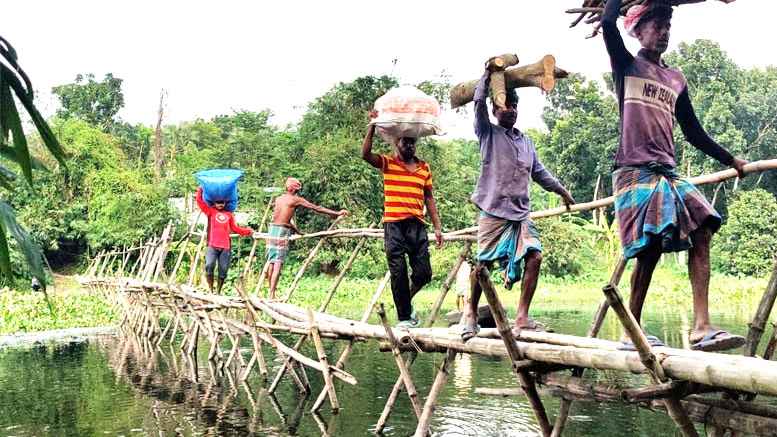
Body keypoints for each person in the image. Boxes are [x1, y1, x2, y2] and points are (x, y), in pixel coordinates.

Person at [601, 0, 748, 351]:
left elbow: (693, 132)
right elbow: (608, 24)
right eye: (656, 24)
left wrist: (731, 159)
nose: (663, 32)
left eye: (668, 25)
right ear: (636, 30)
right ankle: (630, 330)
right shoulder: (627, 66)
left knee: (703, 225)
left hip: (666, 172)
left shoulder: (675, 78)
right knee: (648, 250)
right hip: (634, 171)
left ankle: (701, 326)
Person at [461, 65, 575, 342]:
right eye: (504, 105)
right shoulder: (488, 133)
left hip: (520, 214)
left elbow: (540, 173)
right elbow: (477, 104)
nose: (510, 109)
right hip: (493, 211)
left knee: (535, 256)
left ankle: (522, 316)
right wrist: (487, 77)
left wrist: (562, 191)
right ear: (494, 111)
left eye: (514, 105)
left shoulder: (526, 142)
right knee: (483, 265)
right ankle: (471, 313)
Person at [362, 112, 443, 328]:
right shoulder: (388, 163)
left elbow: (429, 198)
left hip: (417, 225)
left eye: (412, 142)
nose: (409, 145)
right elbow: (365, 154)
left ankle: (405, 305)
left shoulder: (424, 168)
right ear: (397, 144)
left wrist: (437, 227)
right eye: (405, 142)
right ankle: (406, 317)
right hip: (394, 225)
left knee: (424, 273)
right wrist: (372, 125)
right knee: (397, 272)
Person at [266, 177, 349, 299]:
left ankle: (270, 292)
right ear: (295, 190)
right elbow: (316, 208)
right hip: (282, 231)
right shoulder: (295, 200)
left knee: (271, 261)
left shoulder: (279, 199)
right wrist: (336, 213)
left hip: (272, 230)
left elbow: (282, 220)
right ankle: (272, 295)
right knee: (278, 262)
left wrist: (297, 231)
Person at [195, 186, 254, 294]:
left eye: (222, 202)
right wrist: (200, 189)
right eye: (218, 202)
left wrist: (247, 231)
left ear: (225, 203)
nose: (220, 204)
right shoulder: (210, 211)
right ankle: (210, 289)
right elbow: (200, 202)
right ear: (214, 203)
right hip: (212, 245)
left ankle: (218, 291)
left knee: (223, 271)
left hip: (225, 247)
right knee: (209, 266)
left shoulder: (229, 215)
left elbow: (235, 228)